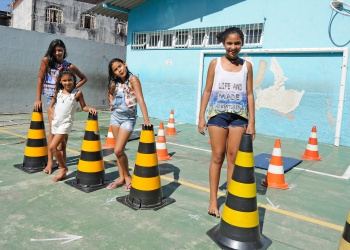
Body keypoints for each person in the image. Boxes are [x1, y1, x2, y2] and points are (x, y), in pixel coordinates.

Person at [197, 27, 255, 218]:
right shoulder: (215, 64)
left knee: (233, 158)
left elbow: (249, 94)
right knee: (217, 156)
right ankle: (213, 200)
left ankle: (231, 198)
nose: (233, 47)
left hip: (239, 117)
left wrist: (252, 122)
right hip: (217, 115)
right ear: (224, 44)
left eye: (237, 43)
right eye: (229, 43)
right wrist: (201, 116)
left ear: (242, 44)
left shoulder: (247, 66)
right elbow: (207, 91)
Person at [33, 39, 88, 174]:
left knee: (63, 135)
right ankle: (51, 162)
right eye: (55, 50)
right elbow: (40, 79)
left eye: (60, 50)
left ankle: (62, 161)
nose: (58, 53)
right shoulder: (46, 61)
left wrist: (72, 89)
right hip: (52, 99)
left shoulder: (69, 66)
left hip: (66, 99)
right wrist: (38, 99)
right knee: (53, 130)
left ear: (64, 51)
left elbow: (84, 78)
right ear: (52, 51)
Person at [106, 58, 152, 191]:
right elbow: (109, 94)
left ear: (125, 64)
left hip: (128, 119)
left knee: (118, 150)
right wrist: (112, 104)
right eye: (115, 69)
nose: (119, 70)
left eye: (120, 66)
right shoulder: (115, 83)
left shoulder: (133, 79)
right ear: (113, 73)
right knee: (118, 151)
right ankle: (122, 178)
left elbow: (141, 99)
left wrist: (146, 119)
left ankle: (128, 177)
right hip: (115, 117)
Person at [48, 69, 97, 182]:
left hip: (66, 123)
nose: (67, 83)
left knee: (52, 147)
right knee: (62, 146)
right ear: (60, 81)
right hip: (56, 122)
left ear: (74, 80)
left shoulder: (77, 93)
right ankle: (62, 167)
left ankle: (63, 168)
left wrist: (90, 108)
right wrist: (51, 109)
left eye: (69, 80)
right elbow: (53, 101)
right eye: (64, 80)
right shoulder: (58, 92)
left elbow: (84, 106)